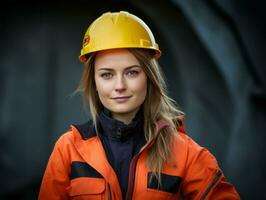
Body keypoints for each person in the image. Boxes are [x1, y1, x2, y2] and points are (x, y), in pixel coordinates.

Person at [39, 11, 240, 200]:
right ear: (95, 83)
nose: (120, 86)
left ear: (149, 78)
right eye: (107, 74)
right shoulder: (68, 150)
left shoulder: (185, 153)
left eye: (132, 72)